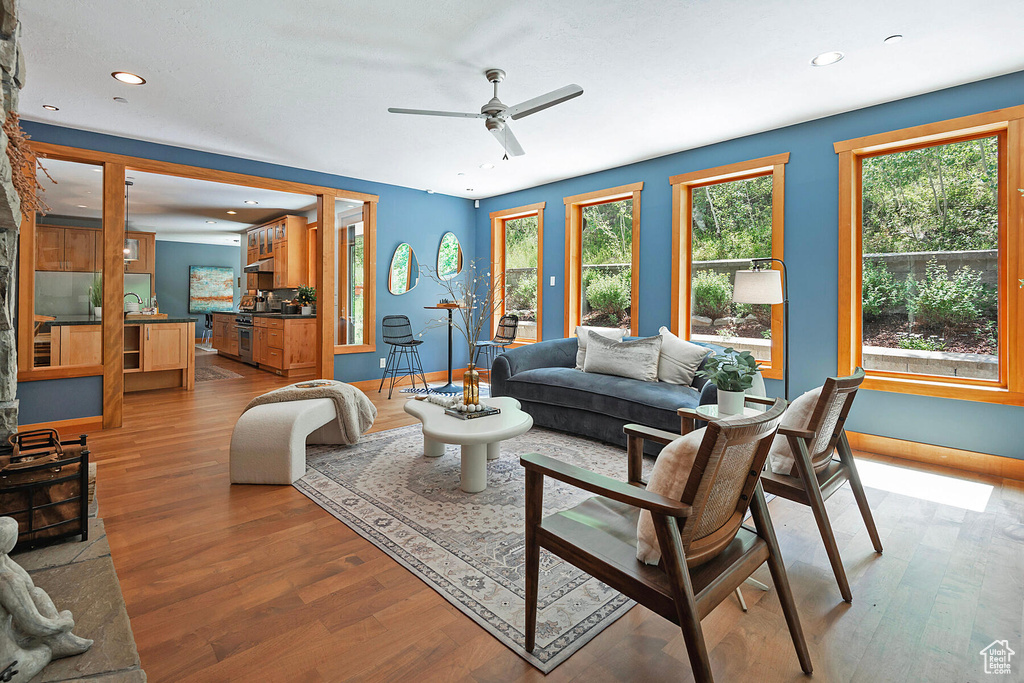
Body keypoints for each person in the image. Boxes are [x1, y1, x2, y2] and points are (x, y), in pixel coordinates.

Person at [0, 517, 91, 682]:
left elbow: (30, 588)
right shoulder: (6, 581)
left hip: (10, 639)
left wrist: (5, 558)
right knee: (46, 649)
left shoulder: (6, 570)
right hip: (7, 667)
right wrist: (65, 622)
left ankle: (64, 641)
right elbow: (36, 626)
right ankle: (63, 642)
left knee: (37, 594)